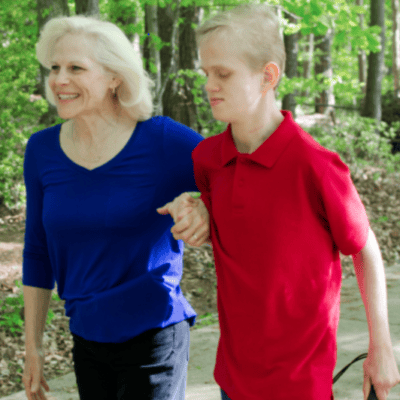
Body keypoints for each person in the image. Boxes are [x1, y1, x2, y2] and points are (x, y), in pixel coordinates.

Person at [161, 3, 400, 400]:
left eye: (223, 73)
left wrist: (382, 348)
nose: (209, 85)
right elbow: (231, 221)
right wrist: (198, 209)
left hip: (300, 383)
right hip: (232, 379)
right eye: (206, 73)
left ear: (268, 76)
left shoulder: (315, 165)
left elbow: (365, 248)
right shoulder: (208, 159)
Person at [22, 15, 209, 400]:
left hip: (155, 335)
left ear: (114, 77)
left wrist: (206, 205)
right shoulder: (41, 150)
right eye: (55, 68)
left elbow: (238, 177)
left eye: (76, 68)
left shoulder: (162, 140)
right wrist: (33, 348)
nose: (59, 80)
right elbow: (37, 251)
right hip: (86, 339)